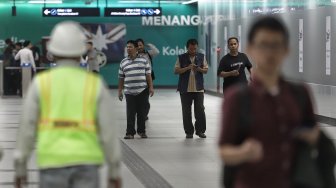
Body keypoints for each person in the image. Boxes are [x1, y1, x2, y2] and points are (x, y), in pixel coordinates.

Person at [14, 21, 121, 188]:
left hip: (51, 162)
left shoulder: (41, 83)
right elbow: (108, 129)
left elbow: (27, 126)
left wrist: (20, 165)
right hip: (87, 162)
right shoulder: (95, 84)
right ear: (81, 52)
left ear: (52, 51)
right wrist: (114, 169)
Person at [218, 16, 320, 188]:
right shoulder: (237, 98)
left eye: (276, 45)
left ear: (286, 50)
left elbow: (313, 131)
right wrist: (243, 153)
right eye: (263, 45)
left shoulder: (300, 93)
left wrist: (310, 136)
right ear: (251, 48)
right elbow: (224, 151)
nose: (270, 52)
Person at [118, 40, 154, 139]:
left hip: (142, 90)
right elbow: (121, 77)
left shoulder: (144, 60)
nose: (128, 49)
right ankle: (129, 133)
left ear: (136, 48)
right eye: (127, 47)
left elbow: (148, 75)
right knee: (130, 113)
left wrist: (151, 87)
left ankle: (142, 131)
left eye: (130, 47)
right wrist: (119, 90)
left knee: (142, 113)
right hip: (129, 91)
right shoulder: (123, 62)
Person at [174, 39, 208, 139]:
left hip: (199, 89)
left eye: (194, 49)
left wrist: (198, 69)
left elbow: (205, 70)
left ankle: (200, 131)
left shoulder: (202, 56)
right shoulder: (181, 57)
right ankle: (189, 132)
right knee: (186, 112)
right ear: (187, 48)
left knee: (200, 110)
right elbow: (176, 71)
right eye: (191, 49)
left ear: (197, 47)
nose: (193, 50)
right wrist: (187, 68)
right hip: (185, 89)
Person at [136, 38, 160, 120]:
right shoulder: (134, 55)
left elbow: (157, 51)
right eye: (137, 45)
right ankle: (139, 113)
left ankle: (144, 114)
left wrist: (149, 45)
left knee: (145, 99)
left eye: (140, 45)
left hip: (147, 78)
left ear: (143, 45)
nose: (139, 47)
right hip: (137, 79)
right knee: (137, 99)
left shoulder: (148, 53)